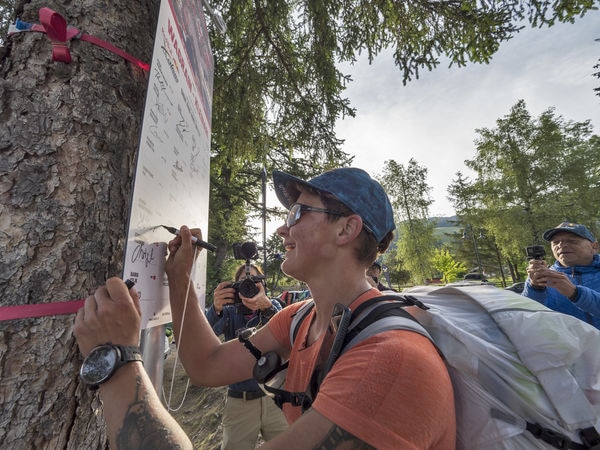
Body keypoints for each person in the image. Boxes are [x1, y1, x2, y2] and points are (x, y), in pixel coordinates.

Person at [74, 167, 456, 449]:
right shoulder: (300, 319)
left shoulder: (390, 363)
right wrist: (180, 280)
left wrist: (116, 358)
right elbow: (207, 364)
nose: (282, 229)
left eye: (297, 213)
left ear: (346, 230)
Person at [207, 263, 287, 449]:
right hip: (240, 400)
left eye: (253, 282)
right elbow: (205, 336)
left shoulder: (272, 306)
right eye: (243, 282)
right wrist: (216, 309)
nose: (248, 287)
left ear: (262, 285)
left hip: (274, 398)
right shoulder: (228, 311)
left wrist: (266, 307)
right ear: (235, 288)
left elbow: (288, 335)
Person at [522, 221, 600, 329]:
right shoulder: (541, 276)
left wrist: (576, 294)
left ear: (594, 247)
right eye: (555, 242)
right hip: (565, 345)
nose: (561, 245)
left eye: (572, 241)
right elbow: (526, 316)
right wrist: (535, 288)